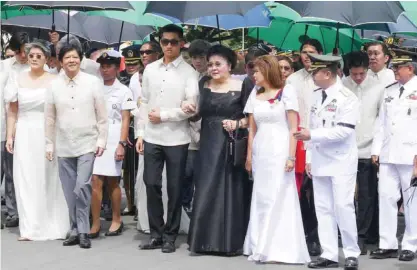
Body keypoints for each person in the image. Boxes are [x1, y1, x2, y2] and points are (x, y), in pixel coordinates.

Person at [136, 24, 199, 253]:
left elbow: (191, 108)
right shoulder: (150, 69)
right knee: (151, 183)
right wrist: (140, 133)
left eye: (174, 42)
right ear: (160, 43)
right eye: (165, 42)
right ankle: (156, 234)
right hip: (152, 136)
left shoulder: (189, 73)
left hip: (177, 138)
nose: (169, 46)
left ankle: (171, 235)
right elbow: (143, 102)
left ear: (181, 43)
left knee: (175, 187)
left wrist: (164, 115)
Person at [295, 53, 360, 270]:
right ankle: (329, 253)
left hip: (341, 161)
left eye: (315, 72)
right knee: (323, 208)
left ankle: (351, 253)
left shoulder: (347, 97)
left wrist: (312, 135)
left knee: (343, 206)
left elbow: (344, 131)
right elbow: (310, 123)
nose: (312, 76)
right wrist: (310, 158)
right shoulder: (316, 95)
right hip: (321, 159)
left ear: (327, 73)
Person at [243, 55, 310, 264]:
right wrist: (249, 156)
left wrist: (291, 156)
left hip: (281, 149)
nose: (254, 75)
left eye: (257, 72)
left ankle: (277, 246)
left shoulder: (286, 91)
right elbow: (252, 129)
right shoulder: (255, 93)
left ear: (267, 71)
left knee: (279, 194)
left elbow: (293, 127)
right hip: (261, 150)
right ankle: (258, 241)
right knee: (262, 196)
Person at [186, 45, 251, 256]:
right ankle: (202, 241)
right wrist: (190, 111)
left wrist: (237, 124)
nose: (213, 68)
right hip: (207, 144)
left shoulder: (243, 85)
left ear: (229, 66)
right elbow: (198, 114)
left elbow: (252, 118)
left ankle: (228, 242)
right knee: (205, 188)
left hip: (230, 144)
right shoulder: (203, 83)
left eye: (218, 64)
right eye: (211, 64)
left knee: (229, 190)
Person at [45, 43, 108, 249]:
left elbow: (102, 115)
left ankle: (83, 230)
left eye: (75, 57)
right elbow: (50, 118)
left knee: (82, 186)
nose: (71, 61)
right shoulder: (54, 85)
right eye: (67, 58)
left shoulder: (92, 82)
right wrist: (49, 143)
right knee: (69, 190)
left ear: (80, 59)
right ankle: (74, 228)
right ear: (60, 62)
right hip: (63, 144)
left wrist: (101, 140)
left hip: (87, 142)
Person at [5, 41, 70, 241]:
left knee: (47, 177)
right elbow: (12, 111)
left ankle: (52, 222)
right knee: (25, 177)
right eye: (31, 55)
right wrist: (10, 135)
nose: (34, 58)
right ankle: (29, 226)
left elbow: (61, 109)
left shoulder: (54, 79)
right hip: (24, 132)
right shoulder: (17, 78)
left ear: (46, 58)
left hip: (47, 132)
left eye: (38, 56)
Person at [370, 48, 417, 262]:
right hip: (389, 153)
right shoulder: (389, 90)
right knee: (386, 197)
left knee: (411, 201)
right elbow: (381, 122)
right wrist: (376, 150)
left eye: (398, 67)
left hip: (411, 153)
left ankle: (411, 244)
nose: (394, 70)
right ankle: (387, 243)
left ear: (410, 68)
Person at [89, 50, 135, 239]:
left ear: (117, 68)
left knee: (113, 181)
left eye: (109, 66)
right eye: (102, 66)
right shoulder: (94, 86)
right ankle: (96, 222)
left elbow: (125, 120)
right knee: (95, 180)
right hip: (95, 135)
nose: (105, 70)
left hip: (115, 135)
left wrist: (122, 144)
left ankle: (116, 219)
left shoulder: (123, 91)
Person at [342, 51, 383, 255]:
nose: (358, 77)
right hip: (345, 149)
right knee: (346, 196)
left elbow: (381, 121)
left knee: (367, 196)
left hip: (368, 149)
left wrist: (377, 148)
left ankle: (363, 236)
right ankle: (347, 233)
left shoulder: (378, 88)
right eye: (354, 73)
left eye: (362, 73)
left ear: (367, 69)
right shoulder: (341, 86)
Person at [286, 39, 324, 256]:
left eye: (311, 52)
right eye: (303, 52)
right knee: (302, 191)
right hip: (299, 139)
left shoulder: (326, 77)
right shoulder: (292, 79)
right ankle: (308, 233)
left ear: (320, 53)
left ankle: (319, 234)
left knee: (319, 191)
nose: (307, 56)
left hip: (321, 139)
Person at [1, 32, 30, 229]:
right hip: (4, 124)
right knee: (5, 170)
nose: (22, 55)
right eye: (18, 51)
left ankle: (16, 211)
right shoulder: (4, 67)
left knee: (16, 172)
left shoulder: (36, 66)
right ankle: (11, 210)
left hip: (26, 126)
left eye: (25, 51)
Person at [182, 39, 211, 212]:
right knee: (187, 174)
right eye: (194, 57)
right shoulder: (191, 76)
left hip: (208, 132)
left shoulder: (213, 77)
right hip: (190, 133)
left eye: (201, 56)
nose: (197, 61)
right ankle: (187, 208)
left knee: (203, 176)